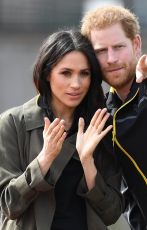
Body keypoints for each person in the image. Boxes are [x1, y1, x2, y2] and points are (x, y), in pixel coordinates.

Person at [0, 30, 124, 230]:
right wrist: (44, 160)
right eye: (66, 73)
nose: (76, 84)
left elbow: (112, 214)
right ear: (47, 73)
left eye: (84, 73)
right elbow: (8, 205)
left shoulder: (101, 126)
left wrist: (87, 163)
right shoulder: (12, 124)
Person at [81, 5, 147, 230]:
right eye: (101, 51)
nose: (111, 59)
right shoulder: (99, 116)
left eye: (118, 47)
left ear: (136, 44)